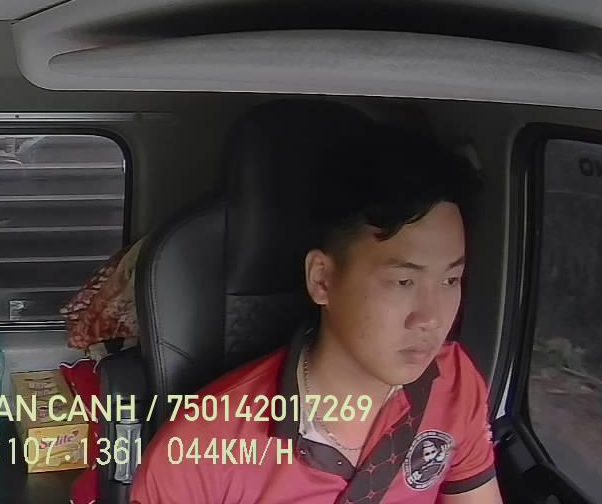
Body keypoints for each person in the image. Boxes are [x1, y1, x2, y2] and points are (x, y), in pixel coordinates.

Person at [130, 124, 502, 503]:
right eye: (403, 282)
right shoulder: (199, 450)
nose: (432, 318)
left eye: (450, 280)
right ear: (322, 279)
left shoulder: (454, 381)